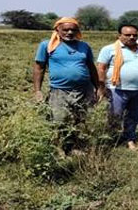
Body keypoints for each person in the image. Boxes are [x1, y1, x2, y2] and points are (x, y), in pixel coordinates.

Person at [33, 17, 99, 152]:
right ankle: (59, 149)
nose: (69, 32)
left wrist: (98, 87)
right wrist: (37, 90)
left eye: (73, 30)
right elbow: (39, 68)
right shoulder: (47, 45)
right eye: (66, 30)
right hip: (59, 91)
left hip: (84, 90)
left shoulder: (84, 46)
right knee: (59, 121)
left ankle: (77, 147)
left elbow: (91, 68)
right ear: (57, 30)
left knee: (81, 120)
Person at [96, 24, 138, 151]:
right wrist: (101, 87)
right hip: (117, 89)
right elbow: (101, 68)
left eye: (134, 35)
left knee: (133, 116)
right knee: (115, 116)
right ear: (119, 36)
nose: (132, 37)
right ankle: (111, 140)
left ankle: (129, 139)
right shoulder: (109, 49)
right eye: (128, 35)